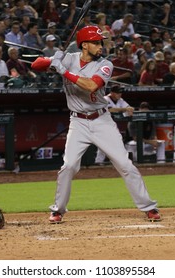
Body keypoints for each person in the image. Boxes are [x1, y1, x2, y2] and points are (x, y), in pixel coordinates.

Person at [31, 25, 161, 223]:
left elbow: (91, 85)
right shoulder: (69, 58)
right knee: (68, 166)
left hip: (102, 121)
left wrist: (63, 70)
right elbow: (35, 66)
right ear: (84, 45)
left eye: (101, 42)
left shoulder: (105, 64)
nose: (100, 46)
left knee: (124, 164)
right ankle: (58, 210)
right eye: (96, 42)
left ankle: (149, 207)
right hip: (78, 122)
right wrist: (52, 59)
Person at [94, 84, 134, 165]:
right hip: (100, 123)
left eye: (120, 92)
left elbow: (130, 108)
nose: (119, 94)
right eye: (117, 93)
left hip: (110, 125)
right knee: (104, 143)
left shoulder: (120, 100)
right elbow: (110, 110)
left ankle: (102, 161)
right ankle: (99, 161)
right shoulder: (105, 99)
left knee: (114, 142)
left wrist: (129, 110)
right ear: (112, 93)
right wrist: (125, 109)